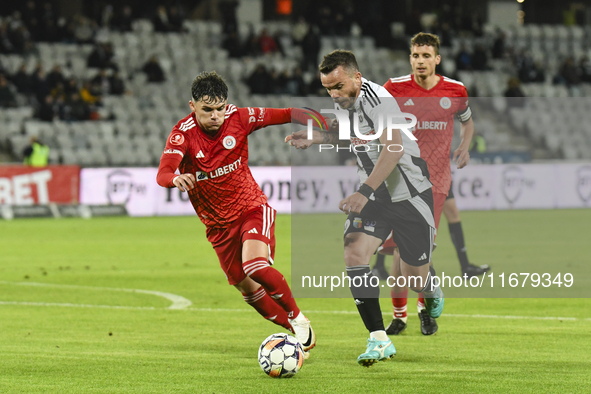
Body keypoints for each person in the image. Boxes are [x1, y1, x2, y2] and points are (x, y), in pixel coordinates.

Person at [287, 50, 444, 367]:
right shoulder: (344, 99)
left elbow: (394, 148)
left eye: (338, 86)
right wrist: (317, 137)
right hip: (375, 195)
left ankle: (430, 286)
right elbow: (351, 135)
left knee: (414, 278)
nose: (334, 94)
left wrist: (363, 191)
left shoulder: (379, 100)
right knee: (354, 253)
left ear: (356, 77)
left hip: (408, 192)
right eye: (328, 89)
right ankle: (378, 339)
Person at [156, 71, 316, 357]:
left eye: (220, 108)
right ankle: (295, 337)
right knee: (248, 290)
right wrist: (174, 179)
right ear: (192, 107)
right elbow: (164, 172)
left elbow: (288, 113)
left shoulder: (240, 118)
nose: (215, 116)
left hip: (251, 208)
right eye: (207, 110)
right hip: (217, 226)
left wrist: (320, 126)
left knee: (255, 266)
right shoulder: (182, 134)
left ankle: (298, 317)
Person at [379, 32, 489, 337]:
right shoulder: (394, 88)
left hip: (436, 184)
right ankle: (401, 316)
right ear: (410, 58)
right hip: (399, 181)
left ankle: (423, 310)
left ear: (437, 59)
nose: (420, 61)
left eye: (426, 56)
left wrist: (465, 146)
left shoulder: (455, 90)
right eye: (416, 55)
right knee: (401, 251)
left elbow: (468, 122)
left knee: (415, 253)